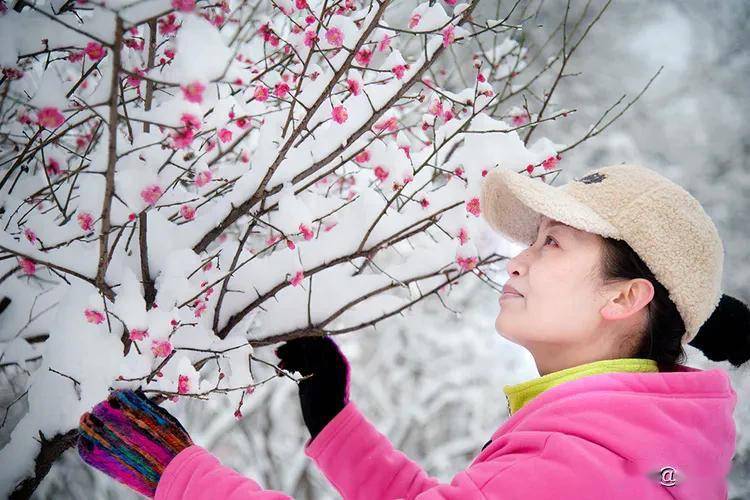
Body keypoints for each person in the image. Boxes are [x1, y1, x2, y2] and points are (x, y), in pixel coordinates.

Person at [78, 163, 750, 499]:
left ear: (626, 297)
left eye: (552, 244)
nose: (516, 257)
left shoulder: (583, 470)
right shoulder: (629, 447)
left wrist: (180, 474)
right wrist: (337, 425)